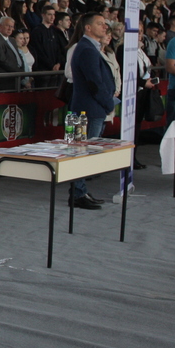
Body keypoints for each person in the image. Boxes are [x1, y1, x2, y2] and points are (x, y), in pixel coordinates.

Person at [69, 13, 117, 210]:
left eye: (105, 24)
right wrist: (109, 103)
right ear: (88, 27)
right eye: (100, 24)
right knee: (82, 152)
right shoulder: (87, 49)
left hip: (84, 108)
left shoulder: (88, 47)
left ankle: (79, 191)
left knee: (81, 151)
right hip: (88, 109)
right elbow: (94, 82)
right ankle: (78, 194)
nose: (105, 26)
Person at [0, 17, 23, 91]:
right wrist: (19, 72)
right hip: (3, 82)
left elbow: (18, 56)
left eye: (12, 26)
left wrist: (22, 70)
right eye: (8, 26)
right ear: (0, 26)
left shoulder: (12, 40)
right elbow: (2, 60)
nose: (10, 29)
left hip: (15, 79)